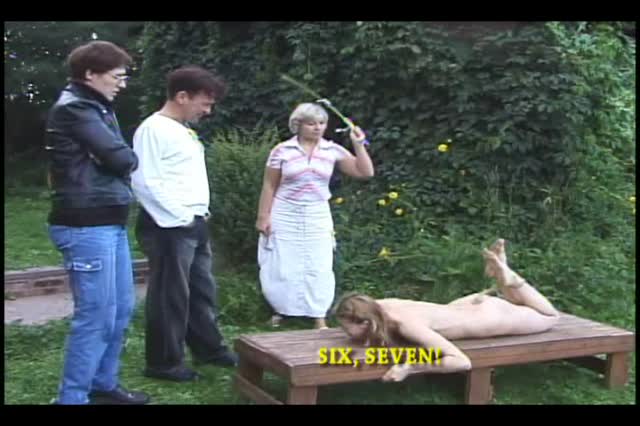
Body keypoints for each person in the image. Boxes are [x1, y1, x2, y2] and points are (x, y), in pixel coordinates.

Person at [45, 41, 149, 404]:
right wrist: (123, 159)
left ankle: (102, 385)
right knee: (96, 316)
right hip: (85, 224)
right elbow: (121, 159)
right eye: (117, 76)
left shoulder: (95, 107)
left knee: (120, 310)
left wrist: (118, 158)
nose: (122, 84)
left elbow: (113, 157)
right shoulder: (76, 108)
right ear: (90, 74)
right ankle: (72, 398)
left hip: (107, 220)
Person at [132, 66, 238, 382]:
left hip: (193, 222)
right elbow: (144, 180)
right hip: (169, 226)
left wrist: (197, 215)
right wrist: (178, 217)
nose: (207, 111)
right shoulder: (153, 129)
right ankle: (164, 363)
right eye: (204, 103)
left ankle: (209, 349)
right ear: (182, 96)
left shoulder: (182, 129)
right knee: (170, 296)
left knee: (202, 291)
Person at [334, 239, 560, 382]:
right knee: (522, 304)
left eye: (346, 328)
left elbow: (461, 361)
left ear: (365, 322)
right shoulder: (379, 306)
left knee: (550, 317)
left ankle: (511, 279)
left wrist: (410, 367)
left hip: (489, 316)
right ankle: (504, 278)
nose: (345, 333)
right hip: (468, 306)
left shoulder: (405, 324)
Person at [256, 103, 375, 329]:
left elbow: (365, 172)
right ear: (298, 125)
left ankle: (318, 315)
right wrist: (263, 216)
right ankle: (282, 310)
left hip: (316, 213)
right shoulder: (282, 151)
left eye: (322, 123)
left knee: (319, 264)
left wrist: (358, 144)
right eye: (311, 123)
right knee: (283, 263)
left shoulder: (331, 150)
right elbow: (269, 185)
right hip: (285, 212)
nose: (317, 128)